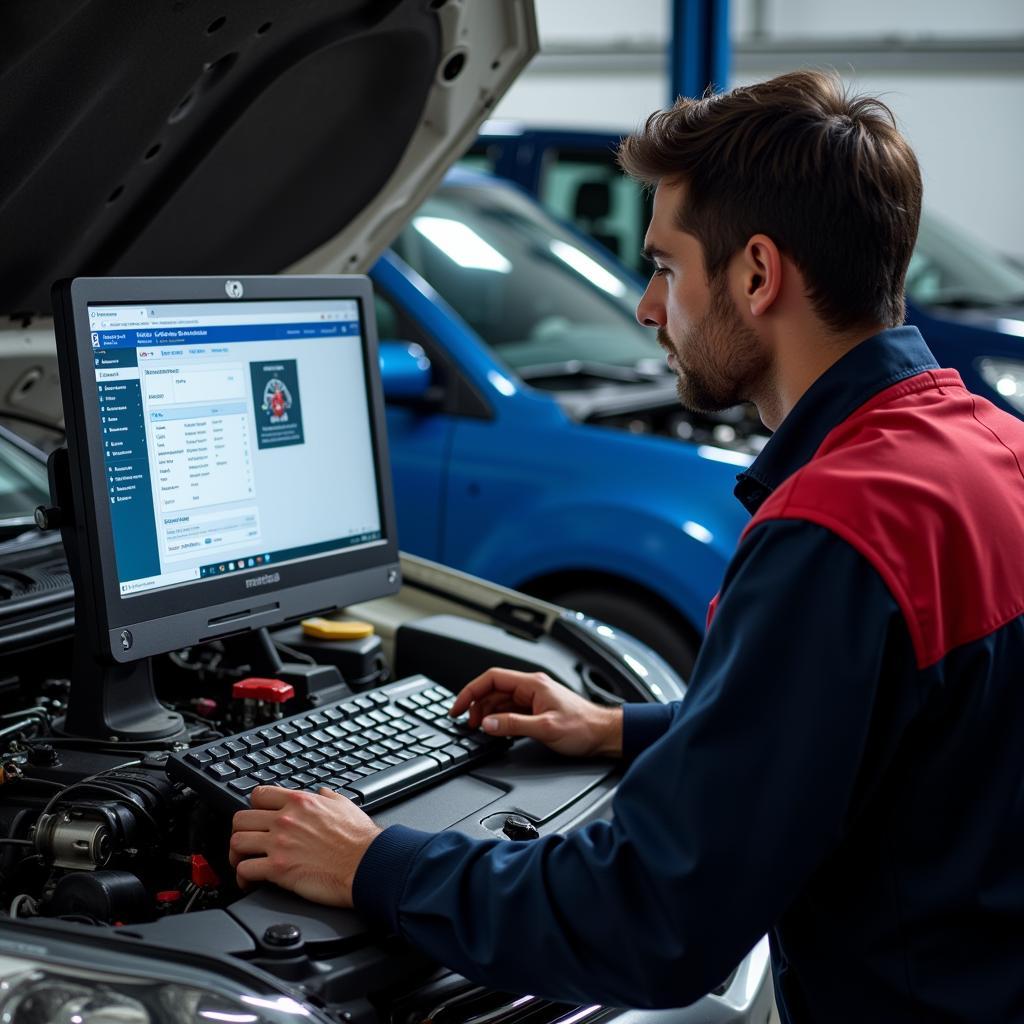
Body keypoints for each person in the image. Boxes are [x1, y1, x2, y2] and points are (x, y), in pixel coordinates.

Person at [229, 70, 1024, 1021]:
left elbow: (650, 920)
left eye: (662, 266)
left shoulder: (836, 532)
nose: (648, 309)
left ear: (758, 274)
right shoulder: (988, 447)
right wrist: (617, 728)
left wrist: (372, 862)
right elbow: (860, 727)